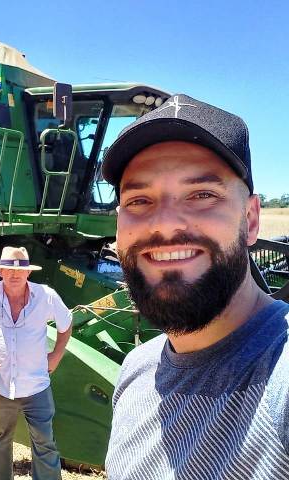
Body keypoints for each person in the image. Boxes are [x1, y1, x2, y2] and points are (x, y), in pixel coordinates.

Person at [101, 94, 289, 478]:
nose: (166, 224)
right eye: (139, 199)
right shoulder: (136, 371)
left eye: (202, 195)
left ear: (251, 220)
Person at [0, 246, 72, 480]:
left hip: (37, 384)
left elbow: (66, 323)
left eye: (21, 270)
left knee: (44, 442)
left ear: (28, 272)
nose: (15, 275)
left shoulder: (46, 296)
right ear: (0, 271)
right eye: (9, 269)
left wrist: (57, 354)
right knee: (1, 440)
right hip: (0, 384)